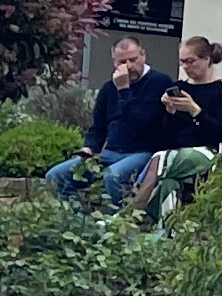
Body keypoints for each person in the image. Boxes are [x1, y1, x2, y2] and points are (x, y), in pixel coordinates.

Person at [50, 38, 179, 213]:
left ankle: (116, 226)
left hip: (142, 152)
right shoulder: (109, 88)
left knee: (112, 177)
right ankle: (74, 221)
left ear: (143, 55)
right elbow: (98, 127)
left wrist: (124, 90)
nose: (129, 66)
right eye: (122, 61)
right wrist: (89, 148)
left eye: (133, 59)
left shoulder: (159, 82)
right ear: (114, 62)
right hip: (109, 152)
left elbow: (141, 122)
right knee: (57, 175)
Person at [139, 38, 222, 222]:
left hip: (209, 152)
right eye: (182, 62)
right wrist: (170, 111)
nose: (186, 66)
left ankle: (130, 215)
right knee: (168, 183)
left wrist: (195, 110)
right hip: (178, 152)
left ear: (207, 59)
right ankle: (167, 231)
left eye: (190, 61)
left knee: (161, 159)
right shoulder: (181, 88)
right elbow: (165, 137)